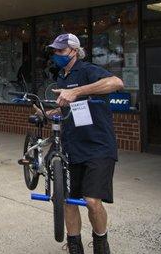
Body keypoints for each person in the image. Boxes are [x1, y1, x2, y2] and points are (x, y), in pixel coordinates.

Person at [45, 33, 124, 254]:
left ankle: (100, 241)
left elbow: (116, 82)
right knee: (67, 200)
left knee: (91, 201)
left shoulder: (88, 70)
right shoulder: (62, 76)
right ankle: (74, 246)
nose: (56, 54)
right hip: (71, 146)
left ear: (74, 51)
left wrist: (76, 91)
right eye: (55, 51)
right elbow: (67, 107)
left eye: (61, 50)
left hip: (98, 146)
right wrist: (45, 112)